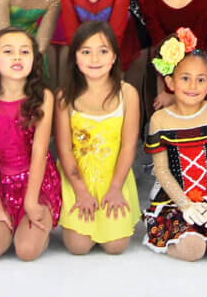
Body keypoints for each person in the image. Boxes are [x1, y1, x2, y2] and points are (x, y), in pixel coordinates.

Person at [142, 30, 207, 259]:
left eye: (201, 79)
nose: (193, 85)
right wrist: (184, 204)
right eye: (185, 78)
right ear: (170, 81)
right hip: (175, 199)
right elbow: (161, 169)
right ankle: (178, 235)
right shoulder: (160, 119)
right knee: (193, 250)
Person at [0, 27, 63, 261]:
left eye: (24, 52)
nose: (17, 57)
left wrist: (32, 200)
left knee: (26, 252)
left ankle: (37, 223)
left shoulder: (42, 97)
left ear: (34, 58)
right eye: (8, 51)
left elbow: (40, 152)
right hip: (4, 184)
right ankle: (8, 217)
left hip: (36, 182)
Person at [54, 22, 142, 254]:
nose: (95, 58)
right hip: (78, 176)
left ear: (113, 57)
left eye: (103, 51)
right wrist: (80, 191)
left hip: (114, 176)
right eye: (86, 51)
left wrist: (115, 188)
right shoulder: (64, 96)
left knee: (116, 247)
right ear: (75, 58)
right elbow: (64, 149)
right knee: (78, 246)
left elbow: (128, 146)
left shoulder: (128, 93)